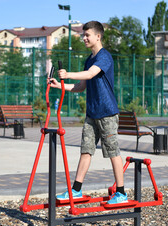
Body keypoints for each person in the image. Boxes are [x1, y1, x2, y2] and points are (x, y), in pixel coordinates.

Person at [48, 21, 127, 204]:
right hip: (92, 113)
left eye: (87, 35)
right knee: (86, 150)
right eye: (83, 35)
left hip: (107, 112)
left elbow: (90, 74)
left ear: (98, 36)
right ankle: (76, 190)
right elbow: (81, 86)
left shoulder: (104, 57)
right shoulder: (89, 59)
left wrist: (67, 74)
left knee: (112, 151)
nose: (84, 38)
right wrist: (60, 85)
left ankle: (121, 193)